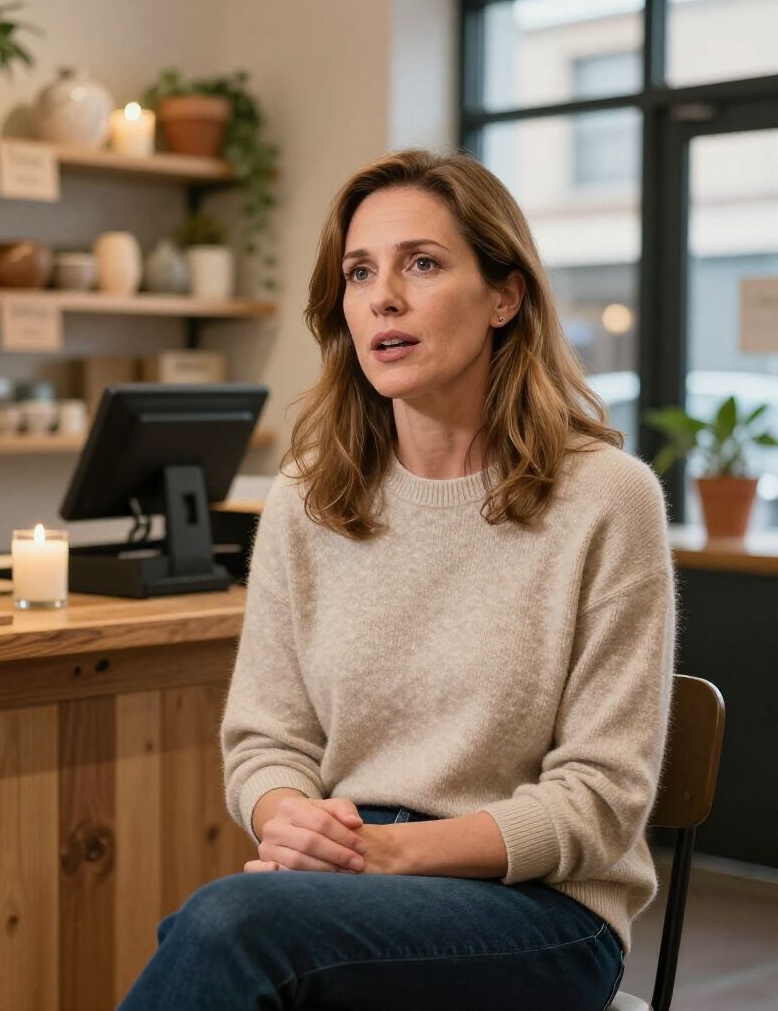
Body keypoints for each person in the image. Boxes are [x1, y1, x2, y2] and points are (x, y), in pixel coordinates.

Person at [117, 149, 676, 1011]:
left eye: (422, 263)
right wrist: (285, 816)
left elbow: (601, 801)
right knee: (226, 930)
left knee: (231, 931)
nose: (383, 296)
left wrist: (391, 855)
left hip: (540, 910)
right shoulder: (308, 498)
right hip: (350, 881)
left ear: (504, 295)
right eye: (359, 271)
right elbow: (268, 741)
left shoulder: (607, 498)